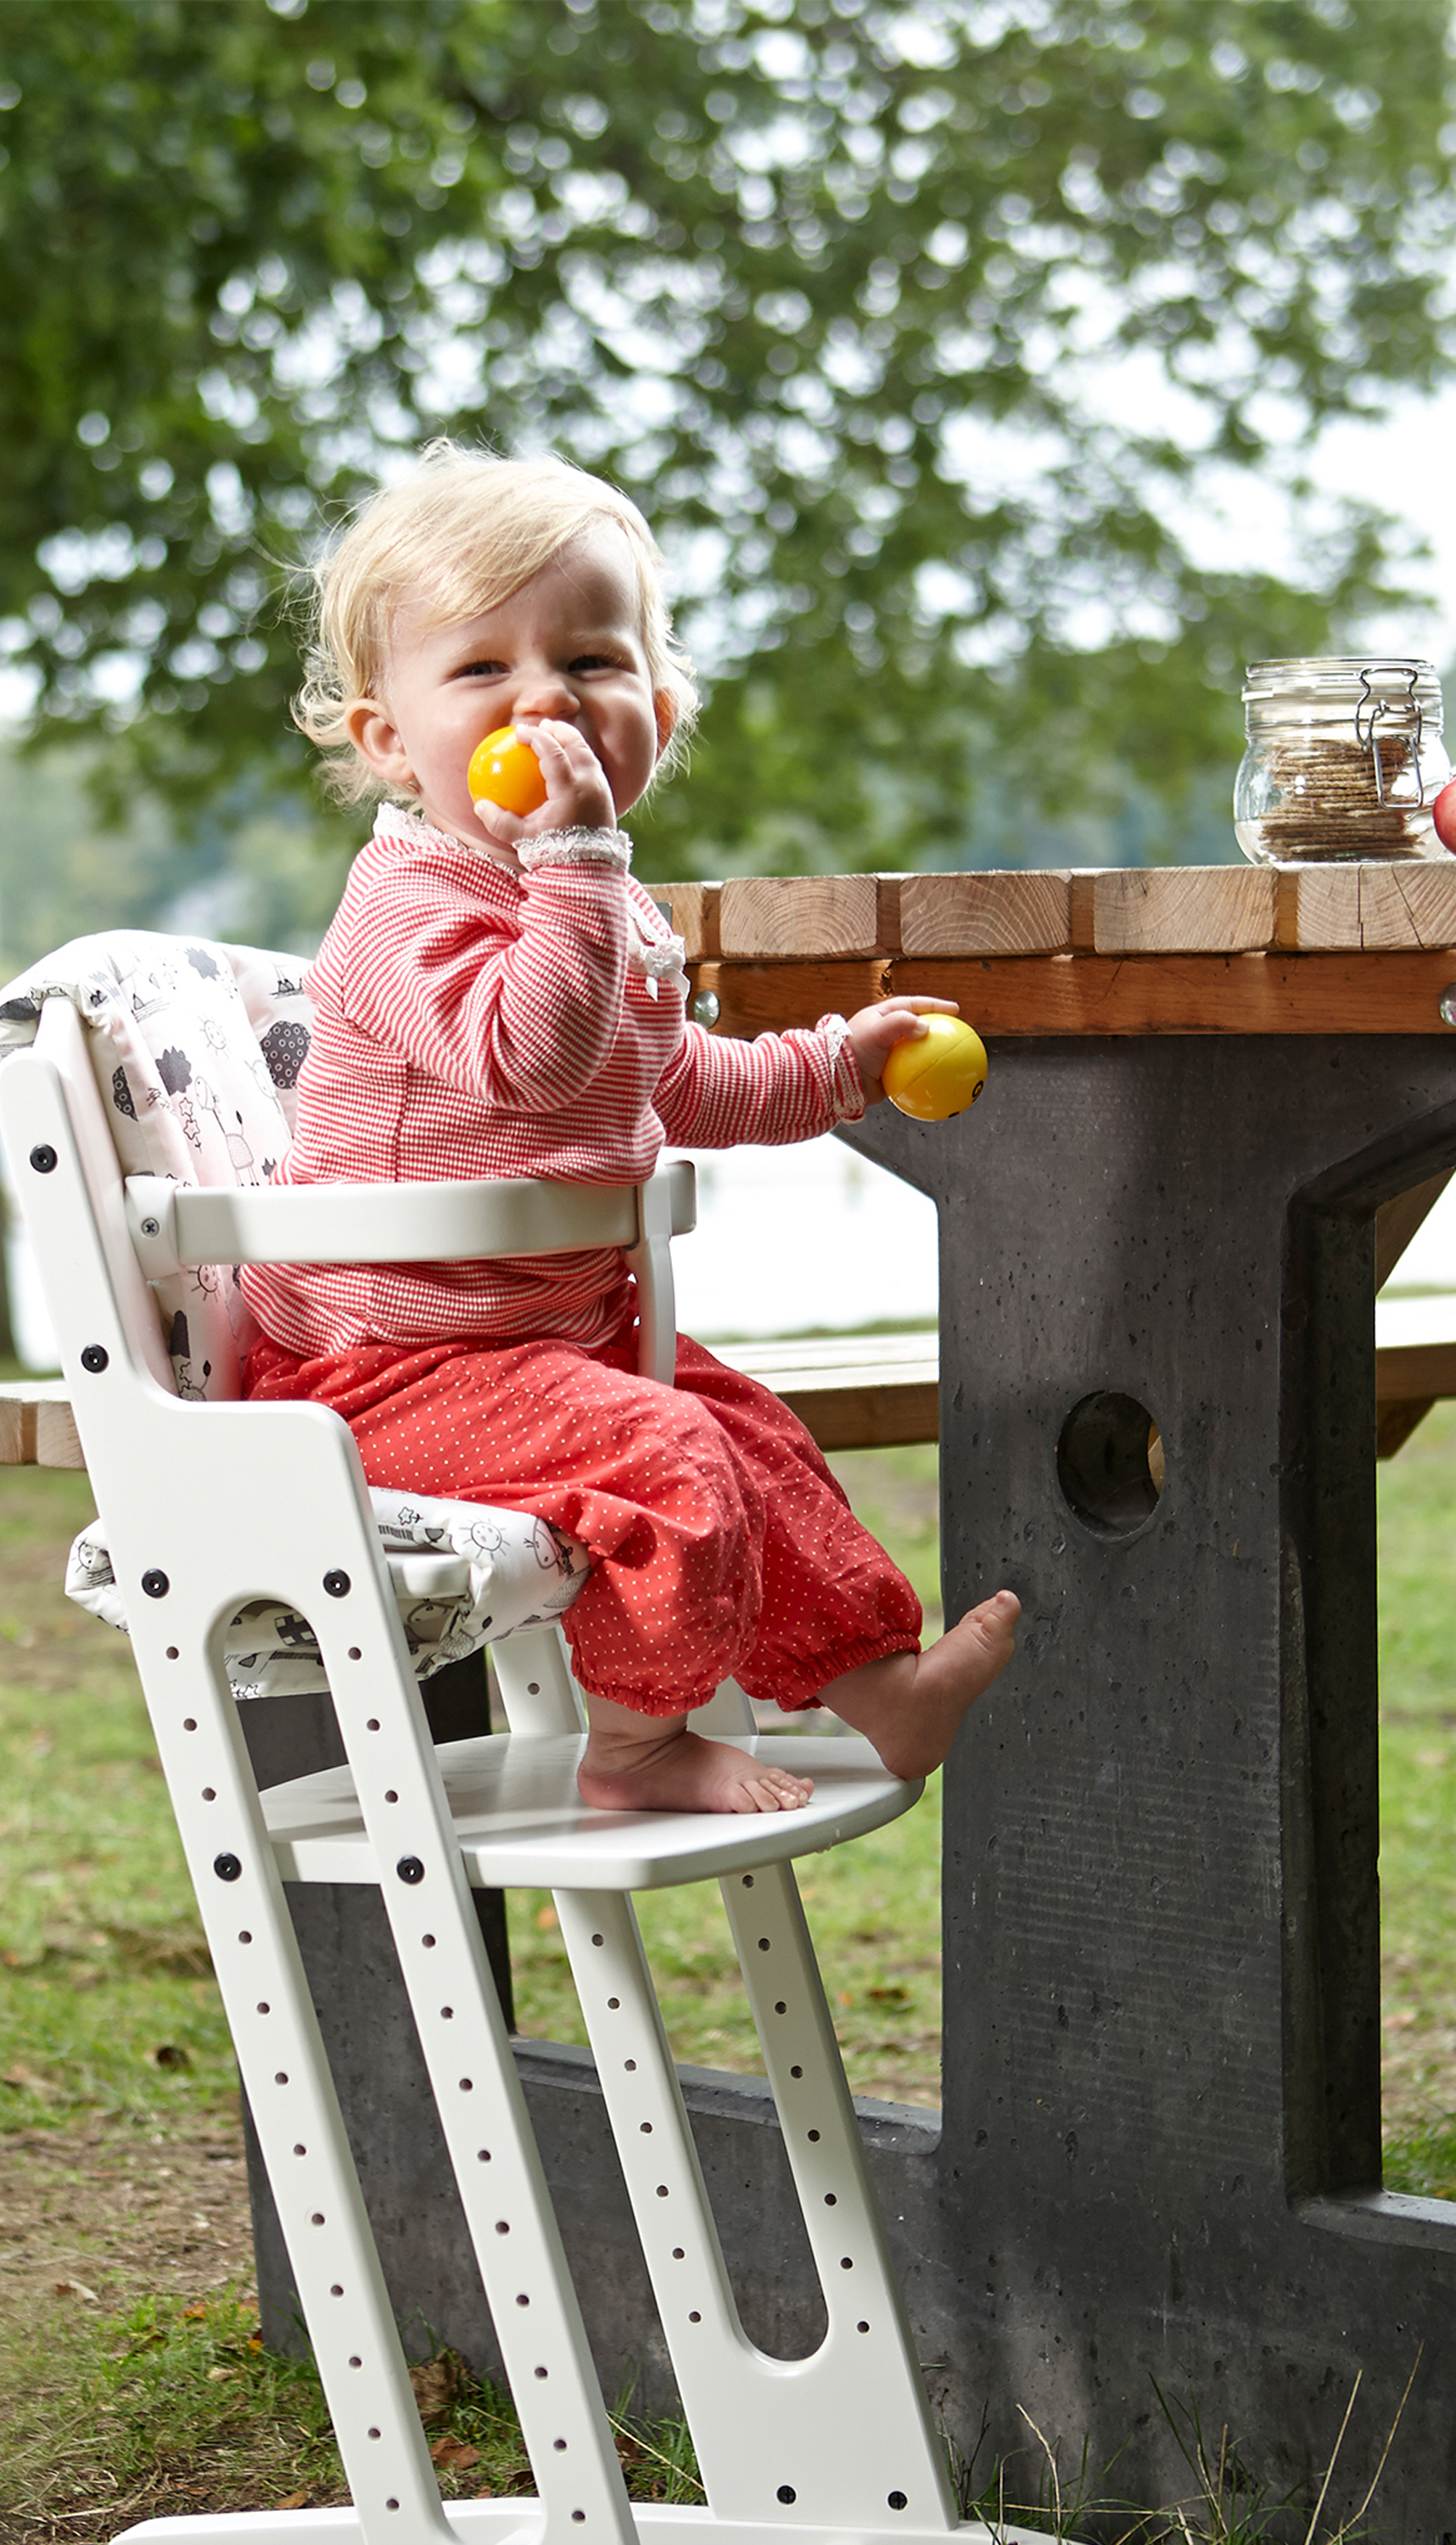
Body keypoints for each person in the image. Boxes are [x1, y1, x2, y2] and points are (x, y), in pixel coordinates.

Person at [244, 446, 1019, 1817]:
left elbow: (687, 1086)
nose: (543, 697)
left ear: (655, 712)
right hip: (383, 1369)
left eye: (592, 662)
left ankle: (875, 1689)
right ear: (384, 740)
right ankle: (636, 1747)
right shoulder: (407, 905)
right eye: (480, 669)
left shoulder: (602, 910)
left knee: (753, 1439)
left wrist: (841, 1064)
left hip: (546, 1342)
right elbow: (528, 1062)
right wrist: (578, 864)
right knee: (667, 1459)